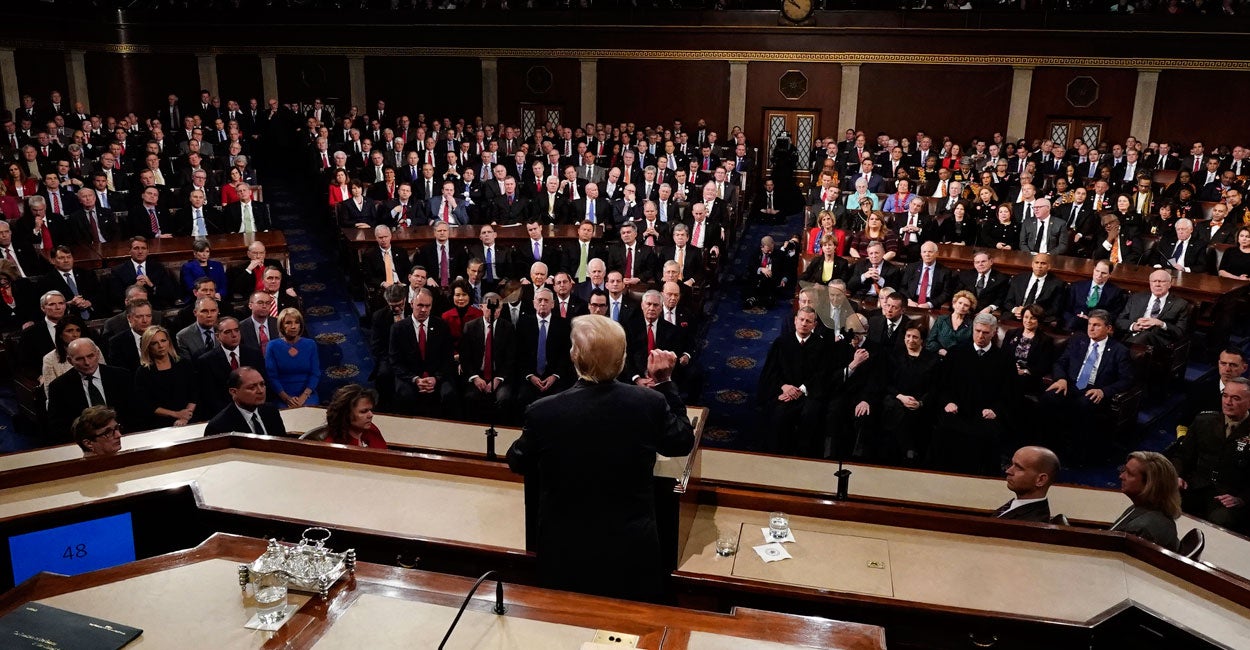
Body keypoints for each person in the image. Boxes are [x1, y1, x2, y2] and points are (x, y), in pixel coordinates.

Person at [506, 315, 694, 602]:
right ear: (622, 360)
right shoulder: (649, 403)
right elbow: (681, 442)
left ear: (574, 357)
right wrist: (666, 383)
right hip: (630, 547)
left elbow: (517, 461)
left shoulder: (543, 412)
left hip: (564, 548)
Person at [1041, 309, 1135, 465]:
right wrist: (1061, 379)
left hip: (1095, 390)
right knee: (1049, 397)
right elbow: (1060, 363)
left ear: (1108, 328)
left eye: (1096, 325)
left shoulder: (1119, 350)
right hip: (1071, 384)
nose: (1091, 328)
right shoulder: (1078, 341)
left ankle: (1075, 456)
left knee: (1083, 405)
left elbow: (1127, 380)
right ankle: (1048, 448)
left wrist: (1104, 391)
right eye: (1090, 324)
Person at [928, 312, 1014, 476]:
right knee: (944, 428)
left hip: (986, 413)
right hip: (957, 409)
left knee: (989, 433)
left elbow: (1009, 393)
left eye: (985, 332)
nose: (980, 336)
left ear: (994, 332)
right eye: (977, 331)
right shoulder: (956, 352)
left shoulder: (1004, 359)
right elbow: (941, 385)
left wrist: (995, 410)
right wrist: (947, 402)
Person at [1170, 377, 1250, 533]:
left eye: (1236, 398)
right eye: (1225, 396)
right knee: (1165, 499)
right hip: (1195, 486)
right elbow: (1181, 456)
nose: (1228, 402)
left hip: (1229, 496)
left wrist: (1241, 499)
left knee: (1221, 520)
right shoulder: (1203, 421)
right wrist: (1177, 475)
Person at [46, 338, 133, 442]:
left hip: (125, 436)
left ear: (97, 354)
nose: (87, 362)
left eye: (90, 356)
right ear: (70, 361)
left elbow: (135, 413)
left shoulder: (122, 376)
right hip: (85, 442)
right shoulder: (59, 387)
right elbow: (58, 426)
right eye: (80, 359)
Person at [1110, 451, 1181, 551]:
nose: (1121, 476)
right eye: (1124, 470)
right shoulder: (1141, 507)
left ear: (1150, 485)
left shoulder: (1144, 529)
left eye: (1129, 473)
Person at [133, 326, 199, 429]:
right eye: (154, 343)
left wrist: (185, 416)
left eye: (163, 341)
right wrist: (176, 414)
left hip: (189, 418)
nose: (160, 346)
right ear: (148, 347)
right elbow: (147, 405)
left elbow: (194, 394)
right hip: (158, 424)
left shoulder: (184, 364)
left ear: (169, 342)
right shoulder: (143, 372)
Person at [203, 366, 287, 437]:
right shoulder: (218, 426)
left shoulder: (271, 411)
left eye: (262, 384)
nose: (260, 391)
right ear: (234, 392)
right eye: (252, 387)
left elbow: (282, 444)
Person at [1116, 270, 1190, 349]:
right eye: (1154, 281)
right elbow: (1120, 321)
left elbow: (1180, 332)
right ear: (1150, 283)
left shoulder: (1180, 304)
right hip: (1133, 336)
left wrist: (1161, 324)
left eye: (1162, 281)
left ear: (1169, 284)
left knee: (1145, 335)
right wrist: (1134, 326)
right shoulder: (1136, 298)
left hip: (1158, 343)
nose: (1157, 284)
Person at [265, 308, 320, 408]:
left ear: (300, 325)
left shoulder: (310, 344)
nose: (293, 326)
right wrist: (287, 398)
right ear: (281, 326)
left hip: (307, 394)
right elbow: (272, 377)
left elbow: (315, 373)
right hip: (282, 395)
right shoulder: (272, 346)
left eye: (297, 322)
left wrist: (303, 397)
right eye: (288, 323)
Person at [994, 446, 1061, 522]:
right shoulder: (1018, 506)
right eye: (1012, 464)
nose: (1008, 471)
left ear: (1041, 480)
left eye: (1019, 468)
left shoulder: (1031, 523)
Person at [40, 314, 103, 388]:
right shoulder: (49, 358)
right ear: (60, 334)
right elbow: (50, 390)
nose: (75, 335)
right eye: (69, 331)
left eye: (78, 330)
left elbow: (104, 373)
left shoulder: (94, 349)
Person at [323, 384, 388, 449]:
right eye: (363, 411)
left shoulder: (372, 429)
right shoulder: (333, 444)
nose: (371, 415)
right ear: (346, 414)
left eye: (370, 410)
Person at [926, 290, 976, 355]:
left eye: (966, 305)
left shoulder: (971, 324)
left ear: (969, 309)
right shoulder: (941, 319)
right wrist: (940, 350)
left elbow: (972, 346)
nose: (962, 307)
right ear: (954, 304)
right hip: (939, 356)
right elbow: (930, 341)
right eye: (960, 303)